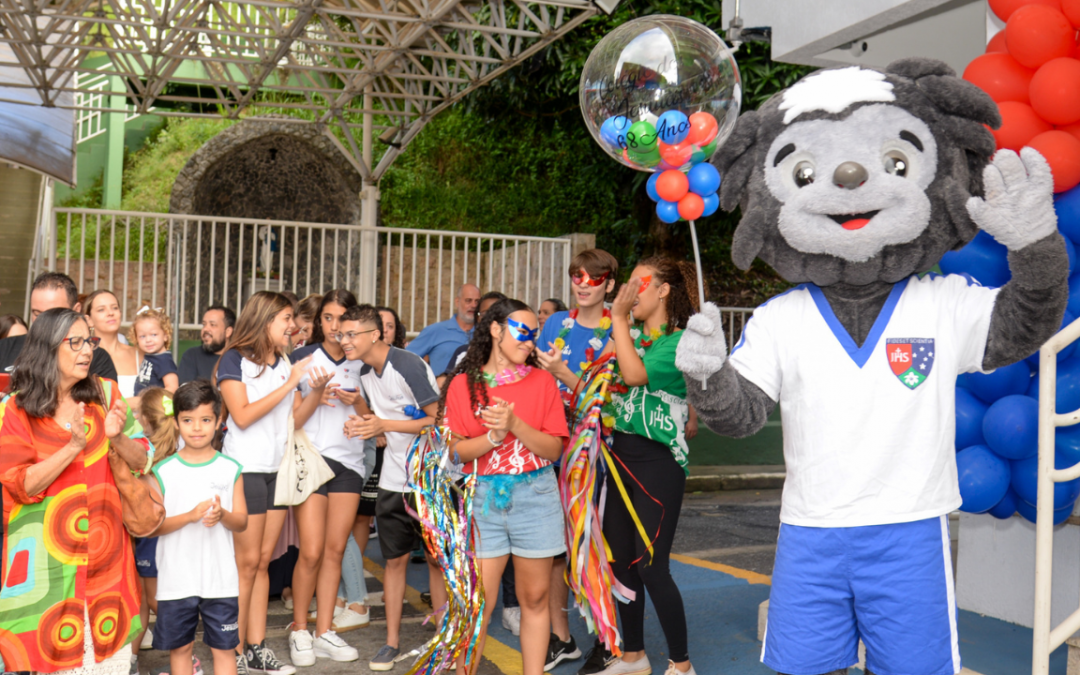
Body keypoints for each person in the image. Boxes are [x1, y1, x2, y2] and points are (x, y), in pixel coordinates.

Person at [0, 308, 153, 674]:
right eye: (77, 342)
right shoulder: (16, 410)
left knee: (108, 664)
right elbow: (19, 484)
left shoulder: (105, 394)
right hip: (45, 575)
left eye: (90, 341)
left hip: (107, 564)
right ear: (48, 347)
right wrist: (72, 447)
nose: (87, 350)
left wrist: (116, 437)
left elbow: (142, 460)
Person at [442, 298, 568, 675]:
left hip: (538, 496)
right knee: (479, 602)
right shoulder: (463, 384)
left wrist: (515, 425)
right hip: (483, 499)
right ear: (496, 330)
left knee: (535, 598)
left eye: (535, 335)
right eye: (523, 332)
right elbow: (457, 453)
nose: (530, 342)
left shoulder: (544, 381)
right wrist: (494, 437)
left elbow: (554, 448)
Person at [598, 257, 699, 675]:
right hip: (619, 455)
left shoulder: (679, 342)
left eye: (641, 284)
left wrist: (618, 319)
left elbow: (636, 375)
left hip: (658, 462)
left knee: (652, 565)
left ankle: (681, 665)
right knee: (620, 562)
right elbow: (598, 385)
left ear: (663, 290)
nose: (631, 292)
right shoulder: (628, 334)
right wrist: (563, 371)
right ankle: (634, 655)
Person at [339, 304, 443, 672]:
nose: (344, 340)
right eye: (341, 334)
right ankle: (391, 643)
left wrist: (380, 423)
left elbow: (436, 420)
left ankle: (445, 638)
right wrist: (362, 421)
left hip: (429, 480)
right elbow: (377, 419)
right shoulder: (366, 372)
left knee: (436, 560)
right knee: (393, 562)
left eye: (351, 334)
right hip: (392, 481)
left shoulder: (408, 364)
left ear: (375, 335)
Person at [215, 291, 310, 675]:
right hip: (246, 469)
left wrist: (315, 391)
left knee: (264, 562)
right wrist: (290, 385)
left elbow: (291, 419)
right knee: (246, 563)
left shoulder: (283, 361)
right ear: (266, 318)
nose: (293, 326)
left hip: (277, 468)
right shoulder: (233, 360)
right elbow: (241, 415)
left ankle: (257, 646)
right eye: (286, 318)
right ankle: (232, 648)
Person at [535, 249, 619, 671]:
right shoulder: (555, 324)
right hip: (552, 447)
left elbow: (609, 397)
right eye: (576, 275)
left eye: (593, 276)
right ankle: (561, 637)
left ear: (609, 283)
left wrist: (565, 376)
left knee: (591, 544)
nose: (583, 282)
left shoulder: (617, 331)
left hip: (596, 453)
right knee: (555, 548)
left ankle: (608, 638)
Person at [286, 290, 366, 666]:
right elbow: (293, 422)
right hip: (312, 463)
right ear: (318, 321)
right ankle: (300, 628)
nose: (336, 327)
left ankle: (324, 632)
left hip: (349, 464)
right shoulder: (301, 358)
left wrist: (358, 404)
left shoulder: (362, 362)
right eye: (329, 318)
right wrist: (316, 394)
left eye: (342, 319)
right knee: (312, 550)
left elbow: (373, 422)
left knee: (335, 550)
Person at [152, 380, 248, 675]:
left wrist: (222, 515)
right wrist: (190, 516)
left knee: (224, 648)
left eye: (205, 420)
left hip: (220, 579)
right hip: (176, 580)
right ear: (177, 422)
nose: (197, 428)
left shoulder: (230, 468)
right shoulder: (163, 470)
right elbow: (154, 527)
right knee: (180, 648)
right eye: (188, 420)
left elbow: (242, 522)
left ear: (219, 421)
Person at [130, 387, 186, 667]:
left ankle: (188, 657)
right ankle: (131, 657)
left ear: (145, 420)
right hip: (167, 534)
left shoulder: (144, 452)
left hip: (151, 537)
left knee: (152, 600)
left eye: (138, 411)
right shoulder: (180, 449)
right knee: (142, 598)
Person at [0, 272, 117, 380]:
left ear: (76, 310)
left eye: (53, 315)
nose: (43, 323)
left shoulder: (93, 358)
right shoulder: (4, 348)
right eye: (37, 314)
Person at [406, 283, 480, 375]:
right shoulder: (435, 331)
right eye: (468, 301)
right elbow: (405, 360)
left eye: (477, 301)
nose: (473, 305)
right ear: (457, 302)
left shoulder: (484, 334)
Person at [440, 291, 507, 385]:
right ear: (477, 318)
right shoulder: (464, 353)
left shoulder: (516, 354)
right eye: (485, 314)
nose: (491, 319)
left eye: (497, 314)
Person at [84, 290, 141, 398]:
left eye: (114, 308)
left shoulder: (139, 354)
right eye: (101, 310)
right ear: (89, 320)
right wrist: (136, 402)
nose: (110, 313)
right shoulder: (85, 355)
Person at [178, 305, 236, 384]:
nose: (205, 329)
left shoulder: (239, 359)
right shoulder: (191, 355)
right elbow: (186, 392)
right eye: (204, 324)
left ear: (228, 332)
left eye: (212, 325)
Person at [130, 306, 178, 395]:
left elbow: (173, 387)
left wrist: (154, 401)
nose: (148, 340)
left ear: (165, 335)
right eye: (142, 336)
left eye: (154, 334)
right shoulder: (151, 356)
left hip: (154, 407)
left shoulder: (164, 360)